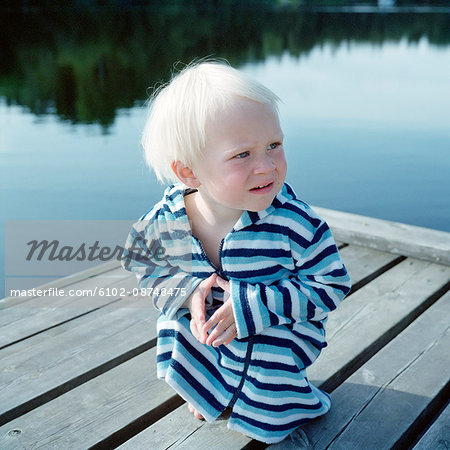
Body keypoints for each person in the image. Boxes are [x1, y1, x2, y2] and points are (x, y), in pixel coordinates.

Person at [122, 60, 351, 444]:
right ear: (189, 173)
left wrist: (253, 307)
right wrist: (186, 291)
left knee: (265, 355)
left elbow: (331, 284)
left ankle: (274, 410)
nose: (267, 167)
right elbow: (142, 263)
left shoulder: (293, 223)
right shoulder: (166, 222)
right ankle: (211, 388)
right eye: (242, 155)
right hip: (209, 324)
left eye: (274, 146)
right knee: (180, 324)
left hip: (279, 323)